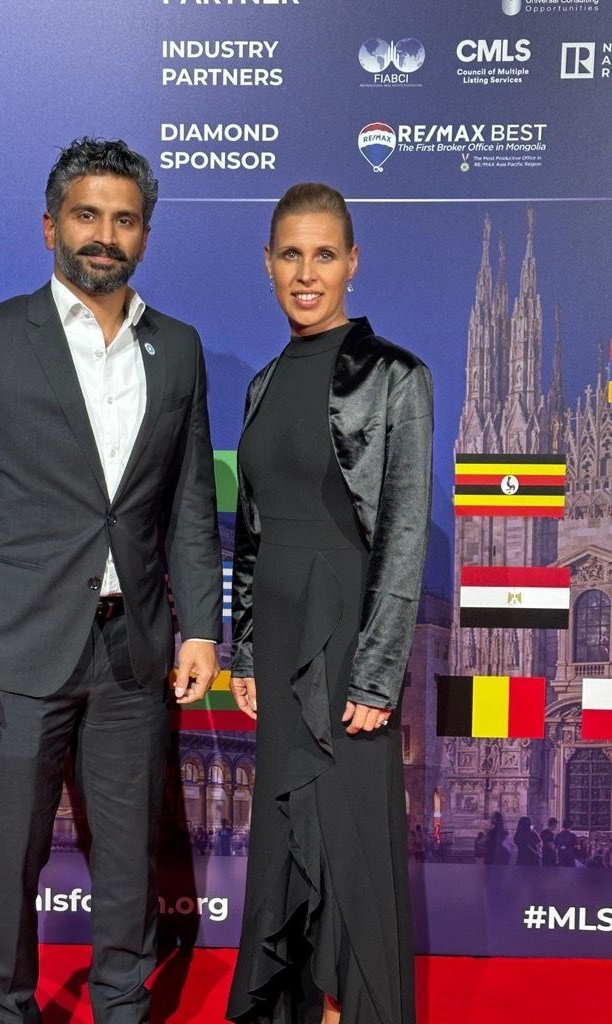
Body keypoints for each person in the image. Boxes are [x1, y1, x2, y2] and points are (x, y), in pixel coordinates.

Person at [0, 137, 222, 1023]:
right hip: (13, 651)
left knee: (128, 860)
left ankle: (122, 1008)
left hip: (135, 656)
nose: (104, 234)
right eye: (87, 215)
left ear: (145, 237)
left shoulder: (180, 349)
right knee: (6, 858)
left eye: (124, 219)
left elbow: (190, 507)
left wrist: (201, 627)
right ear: (52, 224)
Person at [227, 184, 432, 1024]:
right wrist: (243, 646)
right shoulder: (266, 382)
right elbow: (251, 532)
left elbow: (404, 535)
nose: (305, 273)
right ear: (267, 264)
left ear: (352, 262)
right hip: (276, 648)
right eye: (289, 254)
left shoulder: (395, 378)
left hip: (348, 641)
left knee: (350, 849)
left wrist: (378, 674)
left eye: (323, 254)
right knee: (283, 840)